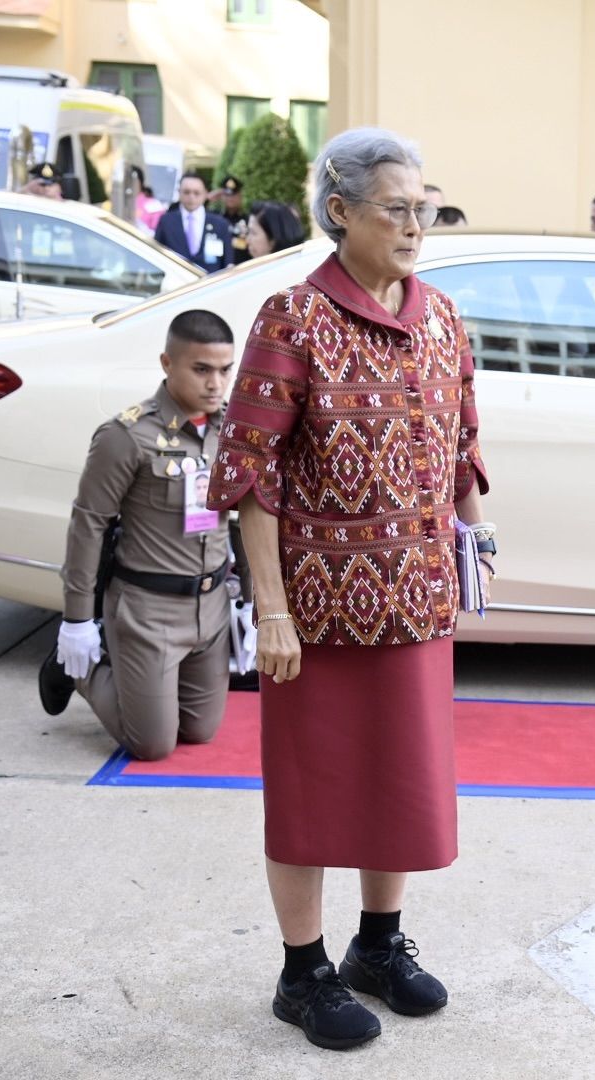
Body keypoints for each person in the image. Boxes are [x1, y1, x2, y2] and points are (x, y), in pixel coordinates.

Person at [206, 126, 492, 1052]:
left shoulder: (443, 316)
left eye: (425, 207)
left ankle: (378, 946)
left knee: (398, 783)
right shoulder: (293, 318)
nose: (417, 225)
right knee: (311, 789)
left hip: (414, 598)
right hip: (316, 613)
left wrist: (469, 540)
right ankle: (303, 973)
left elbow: (462, 447)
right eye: (397, 209)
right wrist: (271, 607)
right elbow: (251, 473)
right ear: (340, 213)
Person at [38, 310, 238, 760]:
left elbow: (240, 517)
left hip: (210, 606)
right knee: (152, 744)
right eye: (201, 369)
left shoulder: (233, 430)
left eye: (225, 370)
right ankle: (80, 669)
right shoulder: (127, 435)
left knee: (201, 731)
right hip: (148, 612)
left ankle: (142, 683)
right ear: (167, 363)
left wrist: (251, 593)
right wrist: (76, 619)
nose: (215, 384)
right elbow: (89, 524)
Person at [153, 172, 235, 272]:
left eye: (196, 193)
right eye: (187, 192)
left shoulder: (220, 224)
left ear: (205, 194)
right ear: (179, 192)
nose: (191, 197)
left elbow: (228, 263)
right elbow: (156, 255)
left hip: (211, 283)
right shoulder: (166, 221)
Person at [214, 174, 253, 265]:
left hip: (242, 267)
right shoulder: (215, 218)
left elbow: (249, 245)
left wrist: (232, 242)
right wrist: (208, 198)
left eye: (234, 195)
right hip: (217, 269)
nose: (230, 198)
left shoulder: (249, 220)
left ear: (240, 197)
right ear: (222, 196)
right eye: (227, 195)